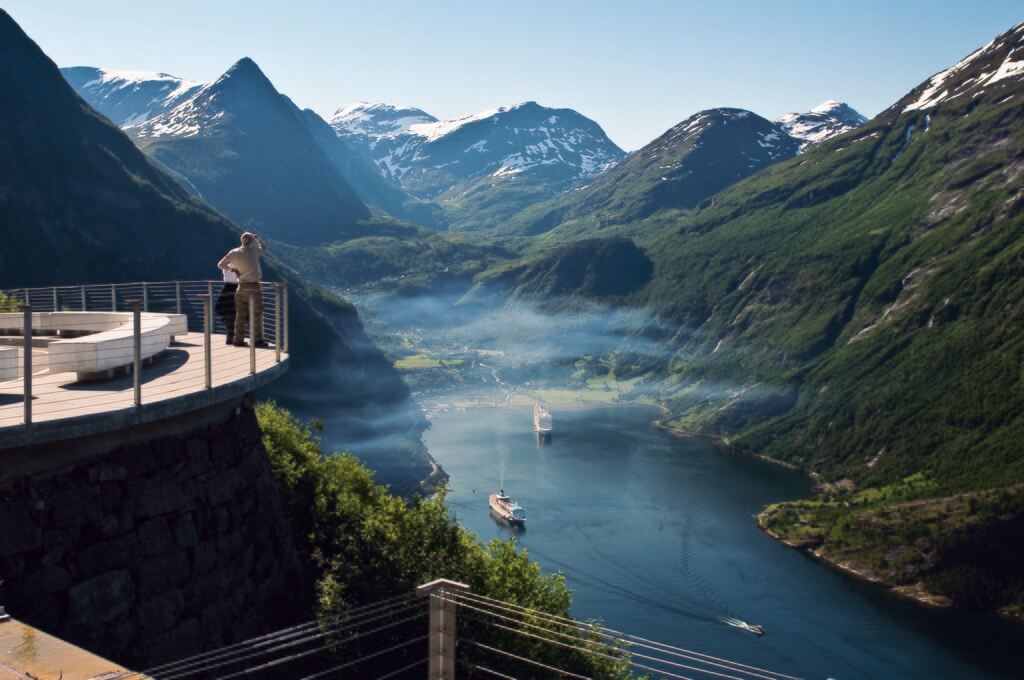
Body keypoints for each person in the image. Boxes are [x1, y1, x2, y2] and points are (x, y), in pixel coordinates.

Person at [217, 232, 269, 347]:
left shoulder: (234, 252)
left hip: (241, 287)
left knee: (240, 315)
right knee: (256, 313)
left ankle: (238, 340)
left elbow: (220, 264)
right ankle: (257, 340)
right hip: (254, 286)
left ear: (241, 240)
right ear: (251, 241)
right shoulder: (254, 251)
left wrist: (232, 270)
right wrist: (257, 238)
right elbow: (264, 248)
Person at [214, 267, 238, 344]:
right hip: (235, 289)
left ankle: (229, 337)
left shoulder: (225, 266)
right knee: (235, 314)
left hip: (226, 289)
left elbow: (220, 265)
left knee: (228, 315)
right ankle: (234, 338)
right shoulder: (238, 265)